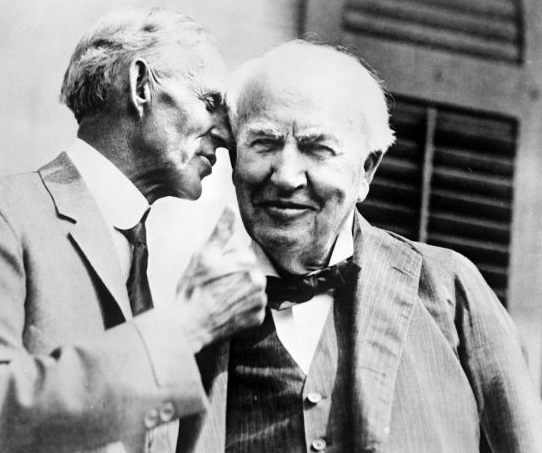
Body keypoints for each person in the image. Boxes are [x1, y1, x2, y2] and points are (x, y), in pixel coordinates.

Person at [0, 8, 267, 453]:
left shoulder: (145, 261)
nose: (229, 137)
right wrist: (184, 329)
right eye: (211, 104)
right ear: (140, 86)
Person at [176, 41, 542, 453]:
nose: (286, 176)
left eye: (318, 148)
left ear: (367, 170)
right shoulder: (189, 314)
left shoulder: (450, 289)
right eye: (264, 143)